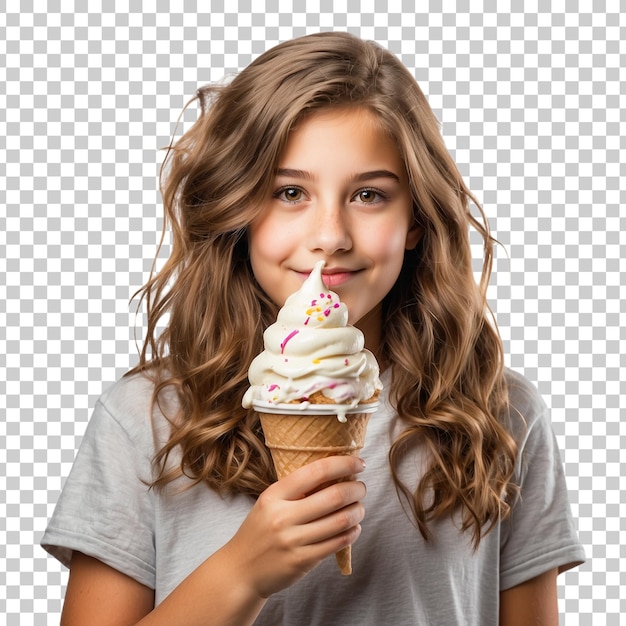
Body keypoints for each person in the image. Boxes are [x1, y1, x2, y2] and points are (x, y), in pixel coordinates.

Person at [42, 31, 585, 625]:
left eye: (370, 194)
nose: (330, 234)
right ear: (240, 208)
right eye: (291, 192)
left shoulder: (499, 416)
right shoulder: (146, 418)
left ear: (417, 221)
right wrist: (242, 572)